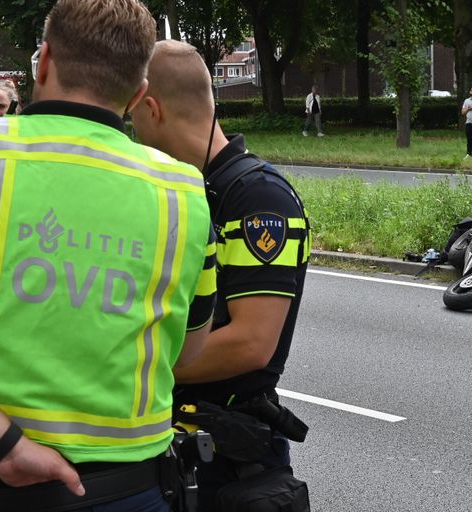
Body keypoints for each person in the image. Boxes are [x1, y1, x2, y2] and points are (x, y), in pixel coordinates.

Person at [0, 1, 217, 511]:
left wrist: (9, 447)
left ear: (42, 62)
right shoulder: (186, 192)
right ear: (138, 95)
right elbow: (188, 353)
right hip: (134, 489)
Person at [131, 40, 311, 511]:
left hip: (230, 458)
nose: (131, 135)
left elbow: (251, 342)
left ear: (151, 108)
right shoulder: (178, 192)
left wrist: (129, 369)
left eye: (131, 119)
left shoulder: (258, 200)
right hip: (168, 441)